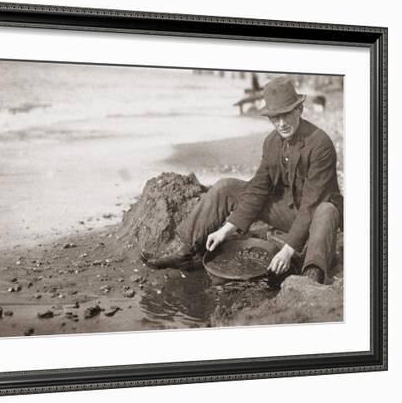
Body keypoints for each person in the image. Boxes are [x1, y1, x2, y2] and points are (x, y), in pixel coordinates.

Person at [140, 77, 343, 284]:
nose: (281, 124)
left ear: (299, 110)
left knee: (327, 210)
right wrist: (226, 229)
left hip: (317, 218)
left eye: (286, 115)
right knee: (226, 187)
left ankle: (312, 274)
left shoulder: (320, 144)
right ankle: (186, 249)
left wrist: (288, 250)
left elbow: (311, 204)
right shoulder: (271, 142)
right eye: (275, 117)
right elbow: (258, 188)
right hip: (288, 212)